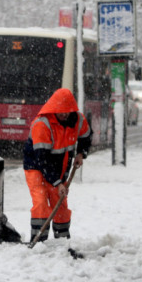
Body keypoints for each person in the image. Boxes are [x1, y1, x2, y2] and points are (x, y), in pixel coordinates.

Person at [23, 88, 92, 242]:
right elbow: (42, 160)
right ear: (53, 109)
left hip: (60, 167)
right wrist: (57, 183)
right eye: (60, 111)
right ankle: (39, 241)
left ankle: (62, 240)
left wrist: (81, 153)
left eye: (67, 111)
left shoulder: (78, 120)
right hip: (36, 166)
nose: (64, 114)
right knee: (41, 201)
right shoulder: (43, 124)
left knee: (60, 203)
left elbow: (86, 136)